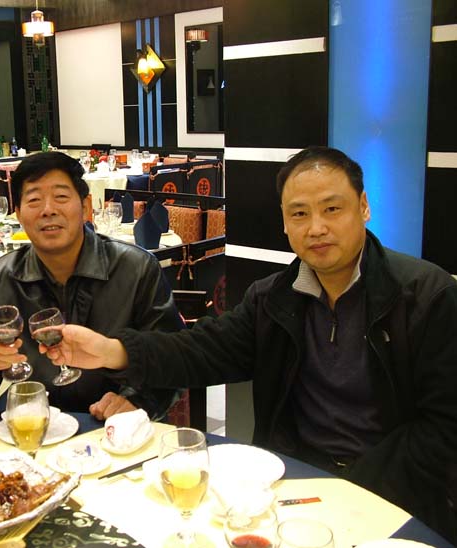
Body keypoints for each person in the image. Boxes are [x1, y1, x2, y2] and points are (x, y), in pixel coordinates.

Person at [42, 146, 457, 543]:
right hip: (295, 485)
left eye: (332, 209)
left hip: (393, 496)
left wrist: (352, 487)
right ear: (285, 223)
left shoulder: (425, 296)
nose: (316, 227)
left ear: (363, 207)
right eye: (299, 213)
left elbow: (443, 429)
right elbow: (201, 350)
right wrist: (114, 351)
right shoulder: (274, 299)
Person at [0, 151, 184, 420]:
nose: (48, 209)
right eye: (34, 200)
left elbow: (171, 358)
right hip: (37, 423)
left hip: (115, 425)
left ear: (85, 207)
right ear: (19, 215)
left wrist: (138, 402)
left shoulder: (137, 269)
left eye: (61, 197)